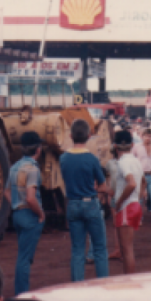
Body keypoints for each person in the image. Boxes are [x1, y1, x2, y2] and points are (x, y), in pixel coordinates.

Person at [60, 119, 110, 281]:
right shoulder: (92, 159)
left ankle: (76, 286)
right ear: (89, 136)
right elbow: (103, 186)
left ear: (71, 135)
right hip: (90, 203)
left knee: (77, 250)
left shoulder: (64, 158)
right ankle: (103, 284)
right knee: (100, 249)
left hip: (73, 203)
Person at [5, 132, 45, 294]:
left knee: (23, 255)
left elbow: (6, 192)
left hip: (18, 214)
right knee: (25, 259)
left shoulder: (14, 167)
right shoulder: (33, 170)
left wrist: (16, 205)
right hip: (30, 215)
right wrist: (41, 214)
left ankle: (21, 291)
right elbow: (31, 198)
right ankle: (22, 293)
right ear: (38, 149)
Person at [110, 130, 142, 274]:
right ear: (132, 145)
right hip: (134, 204)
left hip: (126, 207)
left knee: (126, 250)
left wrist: (119, 202)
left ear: (116, 146)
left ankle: (130, 281)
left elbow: (132, 183)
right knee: (127, 249)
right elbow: (142, 183)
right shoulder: (136, 161)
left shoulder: (123, 162)